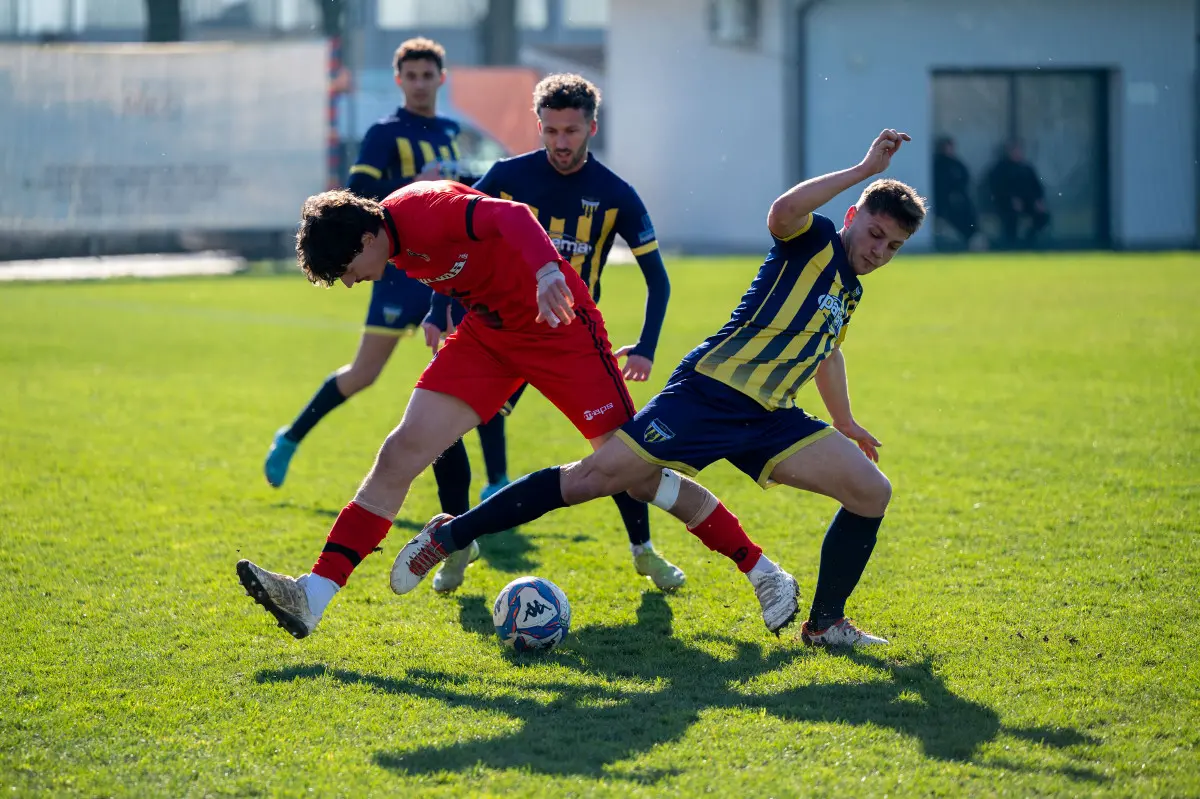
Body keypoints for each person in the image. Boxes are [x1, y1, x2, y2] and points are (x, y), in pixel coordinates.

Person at [393, 130, 926, 647]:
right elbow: (781, 212)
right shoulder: (812, 240)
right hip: (707, 394)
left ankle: (826, 624)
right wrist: (862, 171)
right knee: (593, 479)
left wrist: (846, 421)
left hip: (773, 418)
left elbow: (826, 351)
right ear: (853, 217)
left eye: (894, 247)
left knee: (871, 492)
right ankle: (450, 536)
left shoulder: (849, 289)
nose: (880, 251)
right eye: (875, 234)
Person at [235, 180, 799, 639]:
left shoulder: (423, 211)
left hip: (561, 333)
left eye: (347, 269)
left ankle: (764, 572)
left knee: (637, 476)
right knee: (400, 450)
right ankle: (313, 595)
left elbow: (510, 218)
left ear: (364, 237)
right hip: (489, 337)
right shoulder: (396, 246)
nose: (353, 281)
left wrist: (548, 272)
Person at [422, 73, 683, 594]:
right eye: (552, 131)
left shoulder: (616, 195)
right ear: (538, 126)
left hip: (572, 344)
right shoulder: (506, 176)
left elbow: (659, 280)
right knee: (439, 432)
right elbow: (455, 239)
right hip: (499, 330)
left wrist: (648, 347)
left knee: (618, 451)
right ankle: (458, 539)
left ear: (591, 126)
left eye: (572, 130)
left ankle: (643, 551)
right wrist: (436, 307)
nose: (561, 142)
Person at [263, 38, 472, 505]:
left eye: (428, 75)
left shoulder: (450, 131)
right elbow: (356, 198)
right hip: (397, 272)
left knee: (458, 372)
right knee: (363, 373)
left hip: (445, 273)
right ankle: (291, 437)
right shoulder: (384, 133)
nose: (420, 84)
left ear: (442, 78)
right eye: (411, 76)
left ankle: (492, 483)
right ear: (399, 81)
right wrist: (412, 186)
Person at [986, 139, 1050, 249]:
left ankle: (1028, 241)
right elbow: (997, 188)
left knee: (1043, 216)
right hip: (1005, 204)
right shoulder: (1000, 168)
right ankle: (1010, 244)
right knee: (1011, 217)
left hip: (1027, 203)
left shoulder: (1026, 168)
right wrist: (1011, 199)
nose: (1018, 153)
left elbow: (1036, 187)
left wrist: (1038, 200)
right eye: (1015, 150)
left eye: (1019, 150)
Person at [932, 135, 978, 248]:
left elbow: (965, 179)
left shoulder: (957, 164)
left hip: (961, 201)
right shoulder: (938, 164)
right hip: (944, 202)